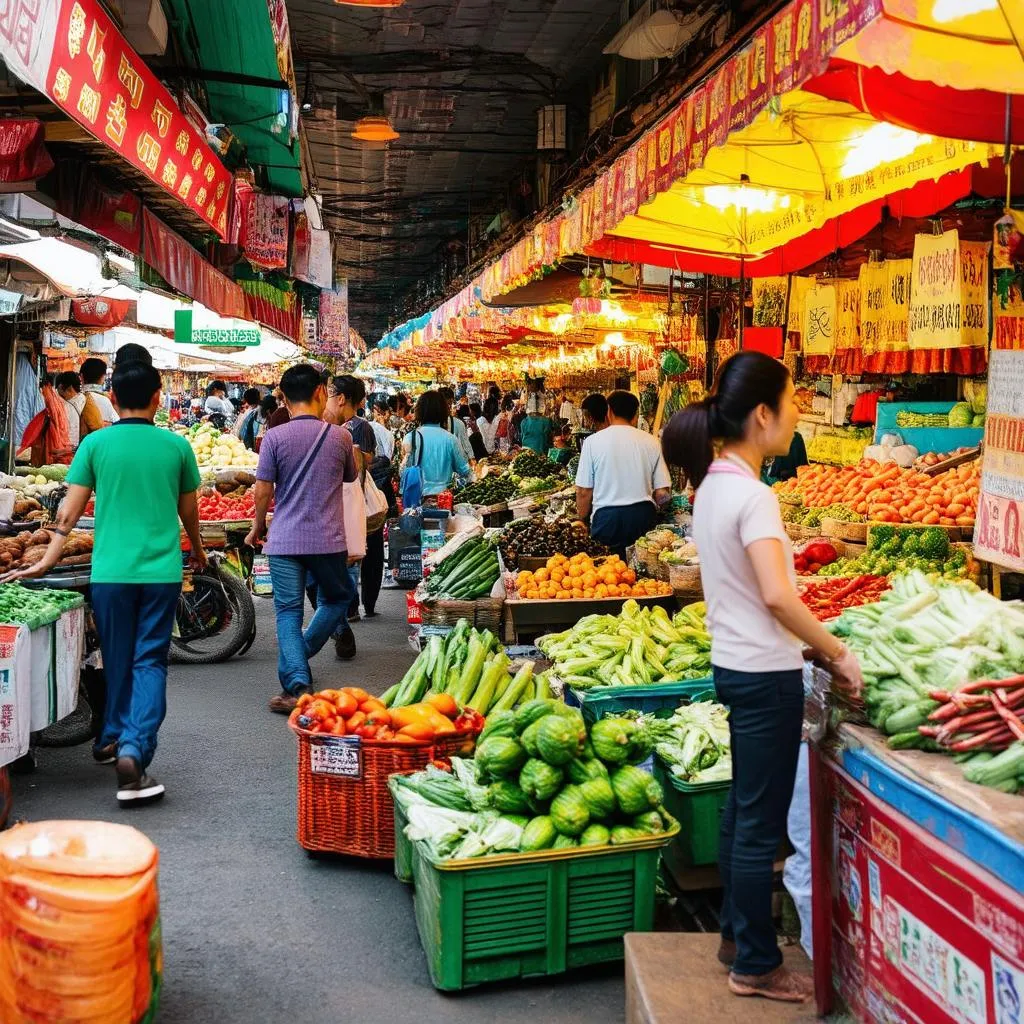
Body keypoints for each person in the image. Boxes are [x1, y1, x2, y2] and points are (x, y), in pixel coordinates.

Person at [660, 351, 863, 1004]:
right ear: (763, 415)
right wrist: (835, 651)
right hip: (765, 674)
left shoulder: (713, 484)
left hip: (735, 666)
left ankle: (733, 936)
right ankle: (754, 960)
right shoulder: (752, 494)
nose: (799, 412)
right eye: (794, 400)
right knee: (759, 823)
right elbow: (778, 595)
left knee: (744, 808)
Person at [6, 361, 206, 804]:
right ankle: (133, 748)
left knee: (116, 659)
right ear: (158, 396)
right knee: (150, 660)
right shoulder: (176, 447)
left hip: (110, 574)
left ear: (112, 399)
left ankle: (114, 733)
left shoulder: (96, 444)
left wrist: (46, 561)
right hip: (160, 574)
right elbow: (188, 511)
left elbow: (67, 514)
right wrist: (200, 547)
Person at [245, 365, 358, 713]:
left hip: (284, 541)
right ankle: (298, 661)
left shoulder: (274, 438)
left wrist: (257, 527)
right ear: (321, 392)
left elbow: (263, 490)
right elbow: (349, 477)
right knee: (338, 598)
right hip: (328, 540)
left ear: (284, 397)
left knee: (288, 613)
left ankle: (296, 677)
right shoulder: (341, 437)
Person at [575, 390, 669, 556]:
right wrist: (661, 511)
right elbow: (662, 493)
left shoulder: (592, 442)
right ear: (636, 414)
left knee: (609, 572)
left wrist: (582, 519)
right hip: (643, 516)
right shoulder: (652, 442)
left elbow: (583, 491)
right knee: (644, 570)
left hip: (607, 520)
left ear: (609, 411)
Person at [327, 374, 384, 627]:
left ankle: (358, 606)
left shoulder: (361, 427)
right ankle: (349, 606)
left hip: (354, 496)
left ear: (342, 398)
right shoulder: (331, 425)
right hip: (341, 496)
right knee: (350, 553)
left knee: (357, 553)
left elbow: (364, 463)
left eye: (330, 392)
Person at [402, 390, 471, 497]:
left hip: (416, 498)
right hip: (443, 498)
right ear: (443, 411)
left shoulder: (410, 437)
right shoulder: (450, 439)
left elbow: (403, 471)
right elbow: (464, 470)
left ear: (419, 410)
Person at [55, 371, 104, 453]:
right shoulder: (82, 400)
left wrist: (71, 449)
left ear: (69, 388)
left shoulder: (81, 403)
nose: (59, 395)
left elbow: (96, 429)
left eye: (60, 390)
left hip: (79, 452)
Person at [438, 386, 475, 468]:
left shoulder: (458, 424)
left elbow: (466, 446)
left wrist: (472, 460)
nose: (448, 408)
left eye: (449, 404)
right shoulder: (458, 423)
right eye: (447, 404)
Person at [80, 357, 118, 425]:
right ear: (103, 377)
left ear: (81, 377)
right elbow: (117, 424)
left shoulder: (75, 399)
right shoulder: (105, 400)